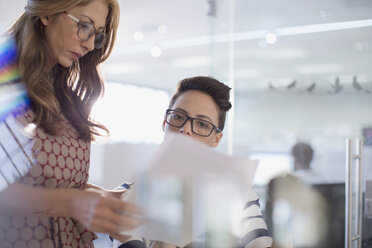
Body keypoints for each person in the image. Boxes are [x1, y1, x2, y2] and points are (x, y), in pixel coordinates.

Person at [0, 1, 143, 247]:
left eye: (97, 35)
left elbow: (45, 180)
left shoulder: (62, 94)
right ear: (49, 14)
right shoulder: (5, 77)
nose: (89, 44)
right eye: (84, 26)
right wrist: (68, 203)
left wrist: (104, 197)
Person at [114, 76, 273, 248]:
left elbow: (260, 244)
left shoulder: (238, 193)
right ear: (164, 123)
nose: (186, 129)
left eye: (202, 124)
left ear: (216, 139)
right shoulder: (128, 194)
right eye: (177, 116)